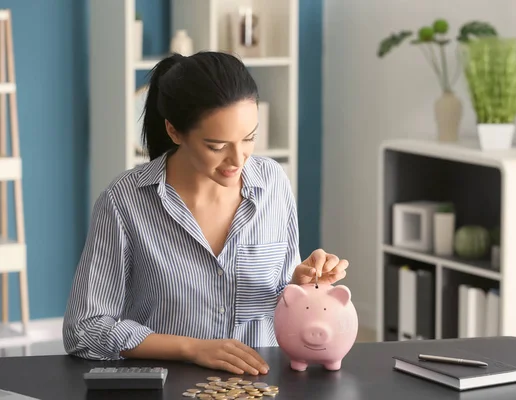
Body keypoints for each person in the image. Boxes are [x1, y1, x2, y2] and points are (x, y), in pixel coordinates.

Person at [62, 51, 349, 376]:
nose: (238, 159)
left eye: (249, 138)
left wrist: (302, 286)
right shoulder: (125, 202)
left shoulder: (273, 184)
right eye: (216, 146)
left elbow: (279, 298)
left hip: (256, 388)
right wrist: (192, 349)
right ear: (174, 131)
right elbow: (84, 330)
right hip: (166, 387)